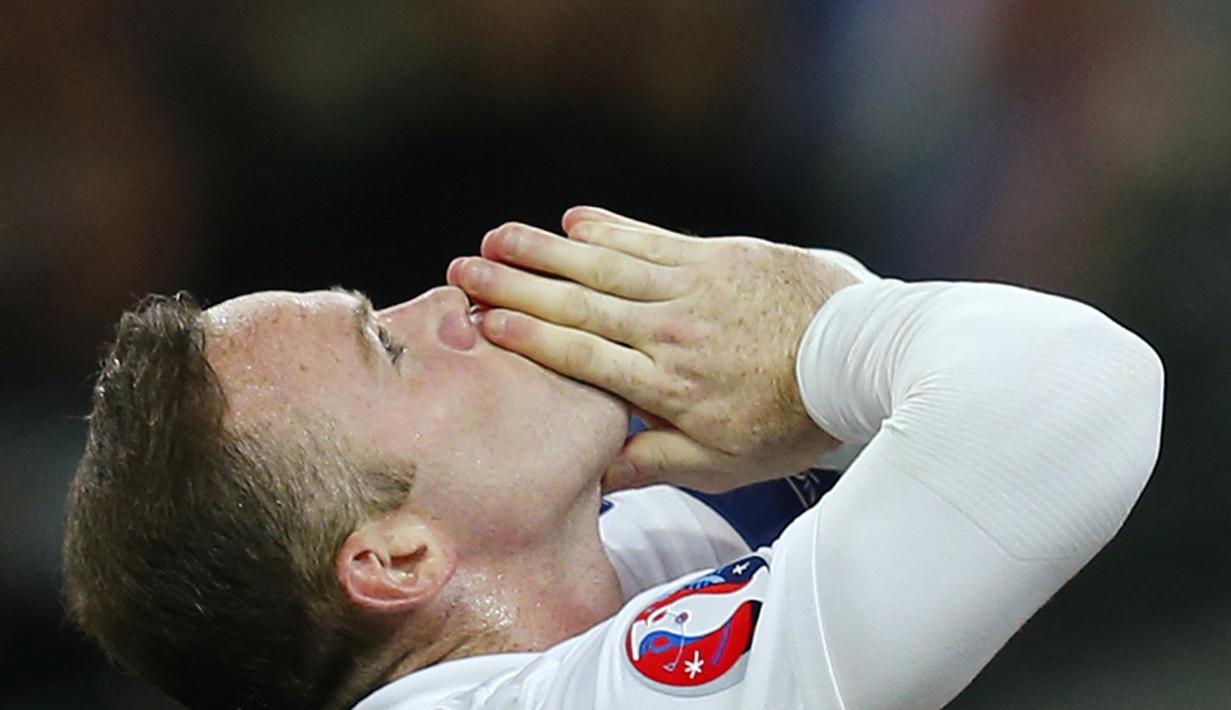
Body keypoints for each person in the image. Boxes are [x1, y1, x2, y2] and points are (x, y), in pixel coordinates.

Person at [62, 207, 1164, 710]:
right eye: (389, 349)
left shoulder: (609, 559)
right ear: (395, 557)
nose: (453, 295)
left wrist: (801, 365)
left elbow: (944, 410)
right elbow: (1077, 396)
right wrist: (820, 334)